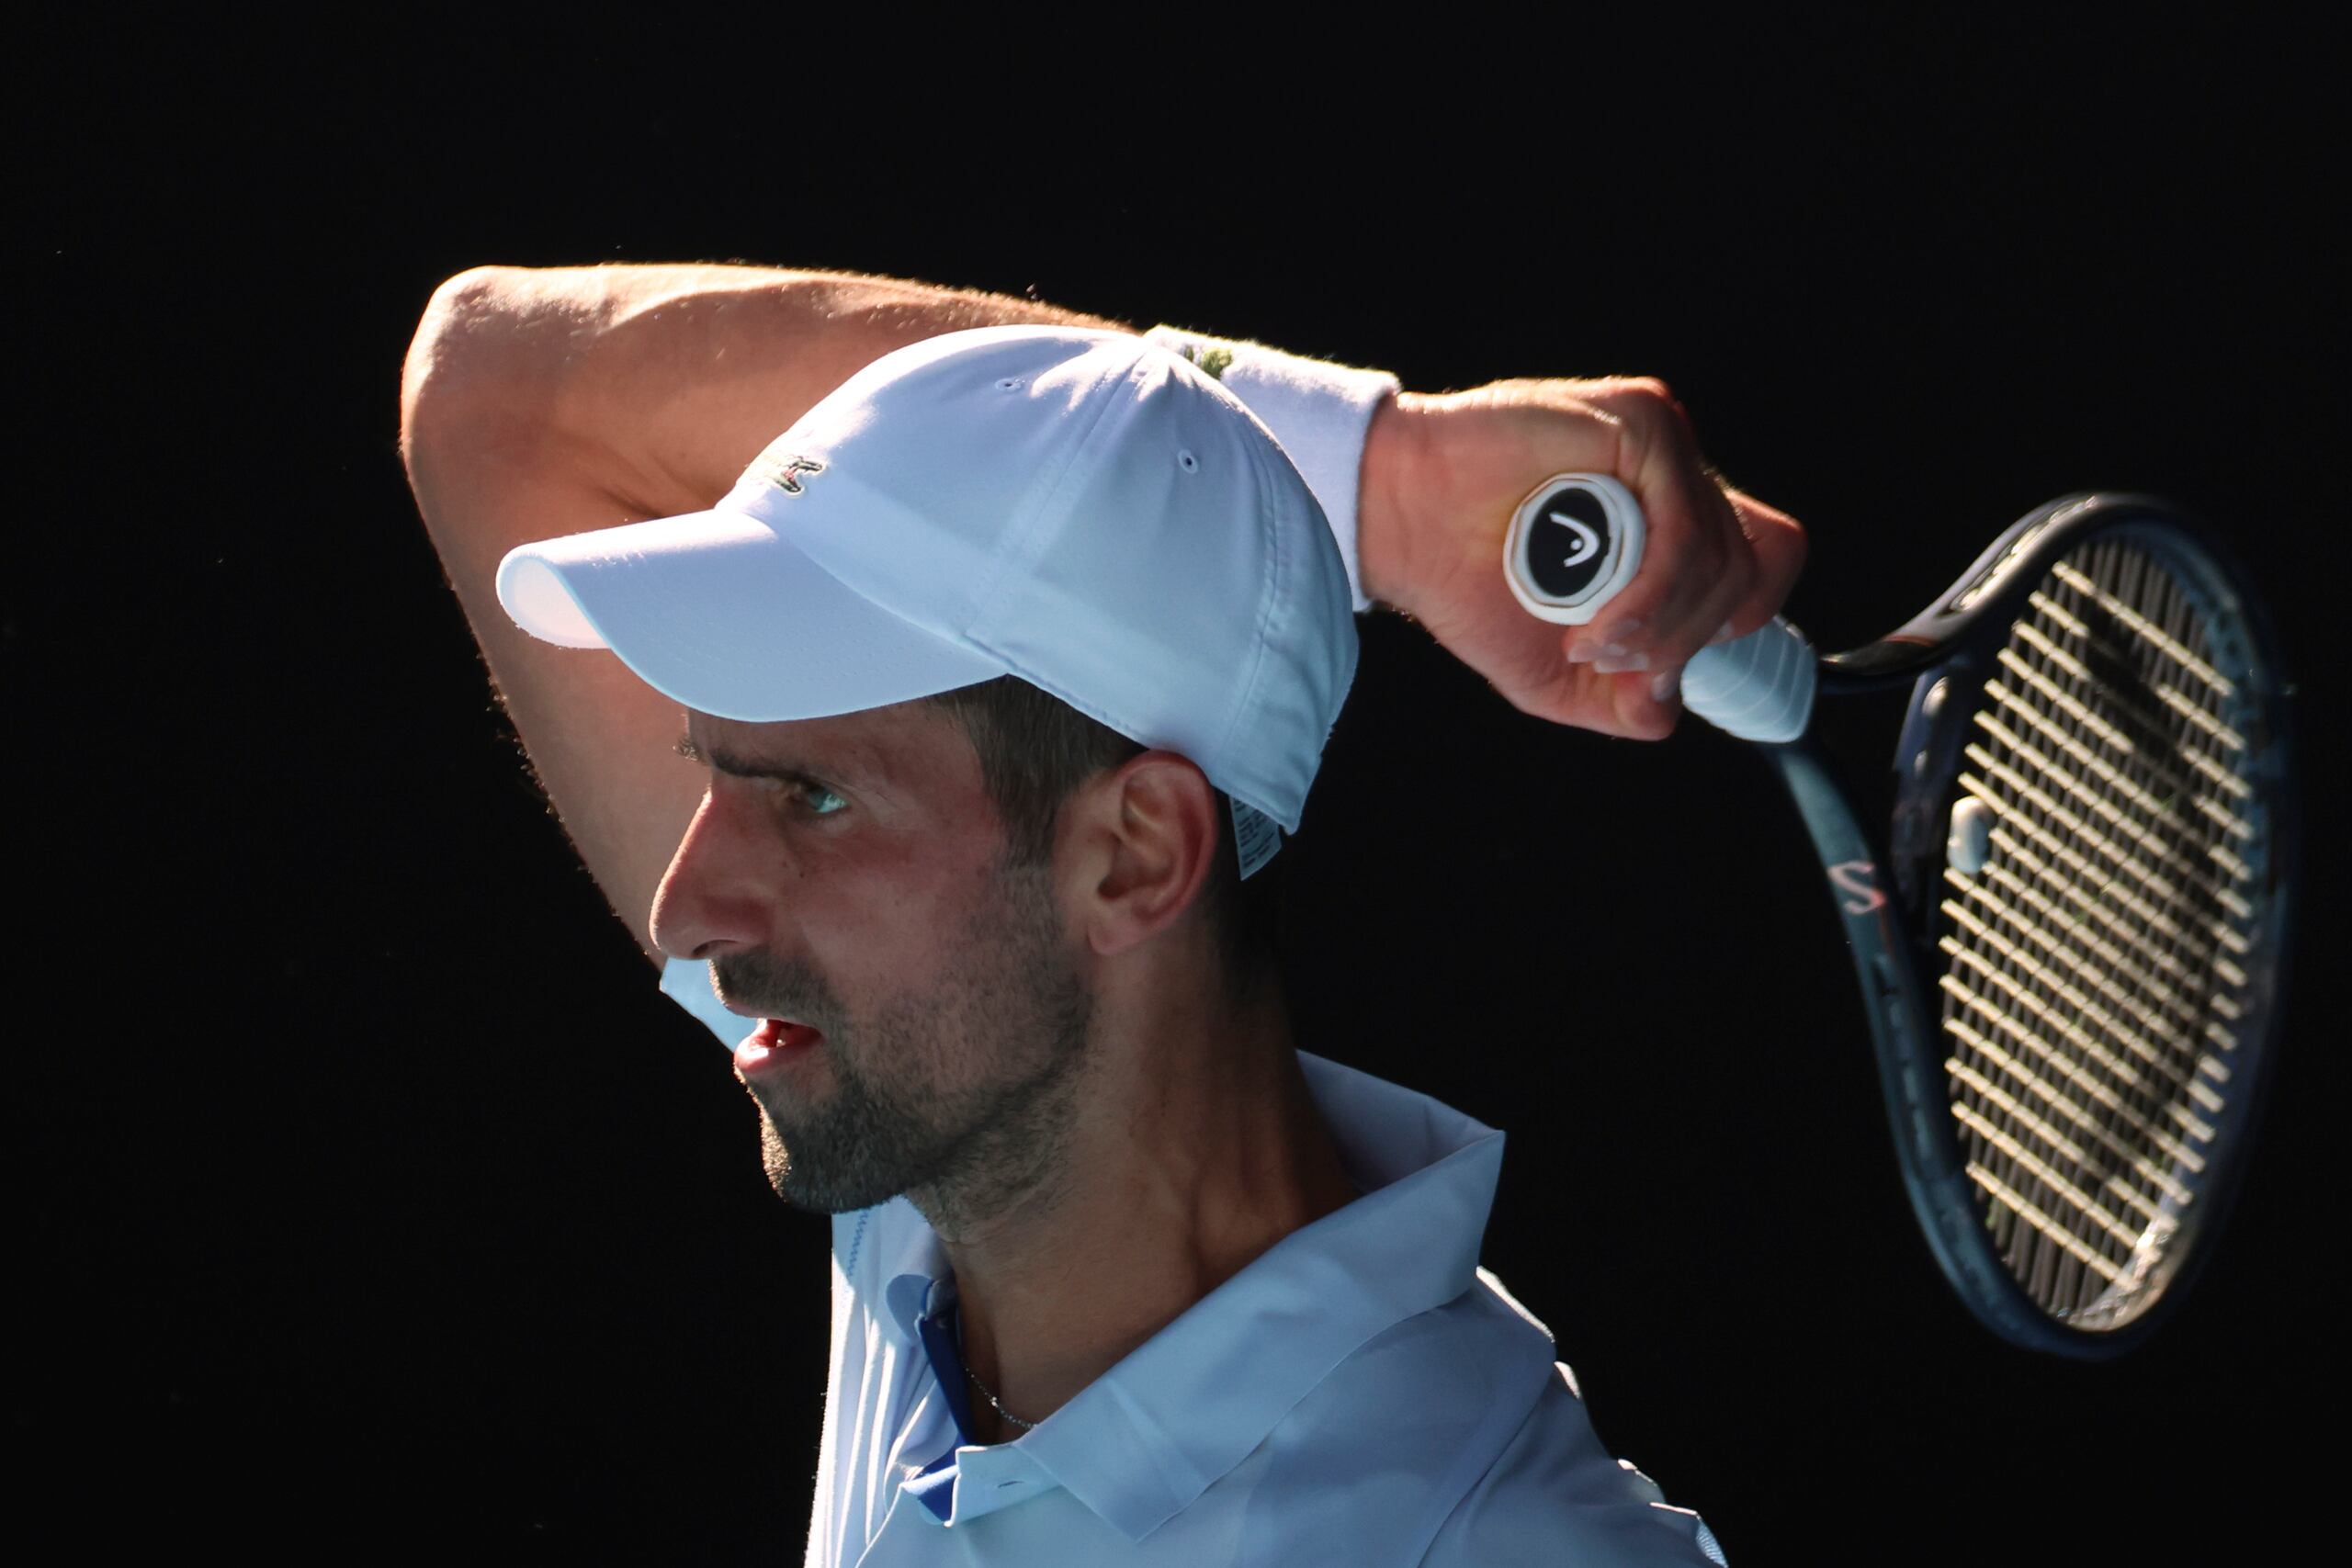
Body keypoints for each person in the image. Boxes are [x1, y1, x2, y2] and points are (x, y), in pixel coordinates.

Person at [400, 264, 1804, 1565]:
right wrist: (1380, 479)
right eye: (708, 775)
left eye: (811, 801)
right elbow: (487, 389)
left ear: (1134, 859)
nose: (688, 906)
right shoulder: (932, 1137)